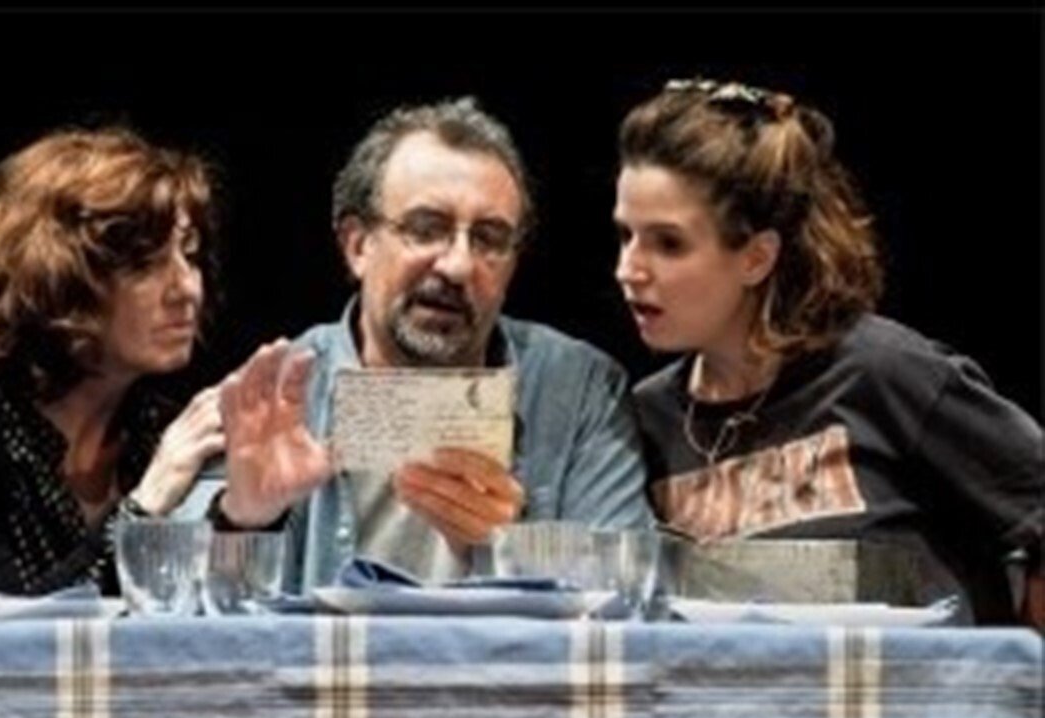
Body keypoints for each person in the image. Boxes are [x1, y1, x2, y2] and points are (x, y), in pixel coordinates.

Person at [613, 78, 1043, 625]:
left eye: (668, 243)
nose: (628, 270)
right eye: (625, 236)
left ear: (756, 257)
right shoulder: (644, 418)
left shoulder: (882, 372)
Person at [190, 97, 652, 590]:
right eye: (426, 230)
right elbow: (179, 611)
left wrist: (511, 550)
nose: (458, 265)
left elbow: (627, 600)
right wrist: (243, 521)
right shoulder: (276, 397)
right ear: (357, 245)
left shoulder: (577, 389)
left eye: (489, 239)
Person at [0, 127, 227, 597]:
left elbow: (210, 622)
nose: (188, 289)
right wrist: (142, 510)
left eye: (190, 256)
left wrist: (249, 513)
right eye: (144, 264)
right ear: (57, 277)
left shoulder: (158, 433)